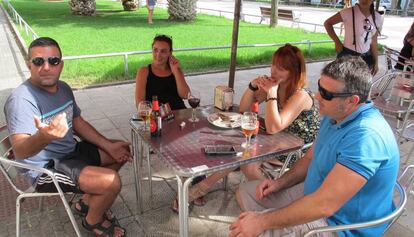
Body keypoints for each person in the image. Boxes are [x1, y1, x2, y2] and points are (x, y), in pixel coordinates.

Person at [229, 56, 400, 237]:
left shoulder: (366, 137)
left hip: (341, 224)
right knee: (247, 193)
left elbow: (323, 205)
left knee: (247, 230)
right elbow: (310, 157)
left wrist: (262, 221)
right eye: (320, 87)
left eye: (326, 94)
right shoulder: (334, 114)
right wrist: (279, 183)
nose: (317, 96)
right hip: (315, 193)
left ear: (352, 100)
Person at [4, 37, 131, 237]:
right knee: (111, 182)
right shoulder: (21, 100)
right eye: (38, 61)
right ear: (29, 65)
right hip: (45, 169)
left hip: (70, 152)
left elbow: (78, 122)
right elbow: (19, 150)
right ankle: (92, 221)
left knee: (120, 150)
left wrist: (108, 145)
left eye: (53, 61)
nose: (46, 67)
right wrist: (44, 137)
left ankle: (86, 202)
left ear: (61, 65)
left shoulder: (63, 87)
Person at [171, 44, 320, 212]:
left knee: (244, 157)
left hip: (297, 152)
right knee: (237, 150)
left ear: (293, 72)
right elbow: (243, 109)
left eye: (281, 69)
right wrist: (252, 87)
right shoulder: (278, 87)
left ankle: (273, 199)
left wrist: (271, 93)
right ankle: (203, 189)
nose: (274, 71)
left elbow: (273, 127)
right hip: (277, 141)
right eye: (274, 65)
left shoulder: (301, 95)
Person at [324, 0, 383, 75]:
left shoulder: (377, 17)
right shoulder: (348, 12)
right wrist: (337, 42)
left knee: (361, 85)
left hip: (367, 58)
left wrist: (376, 62)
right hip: (347, 55)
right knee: (344, 84)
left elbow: (374, 41)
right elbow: (328, 23)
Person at [135, 34, 190, 110]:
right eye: (155, 50)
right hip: (157, 117)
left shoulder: (176, 70)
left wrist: (176, 71)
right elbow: (140, 103)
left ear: (170, 53)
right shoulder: (144, 71)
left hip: (179, 114)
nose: (158, 55)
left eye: (163, 51)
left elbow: (186, 95)